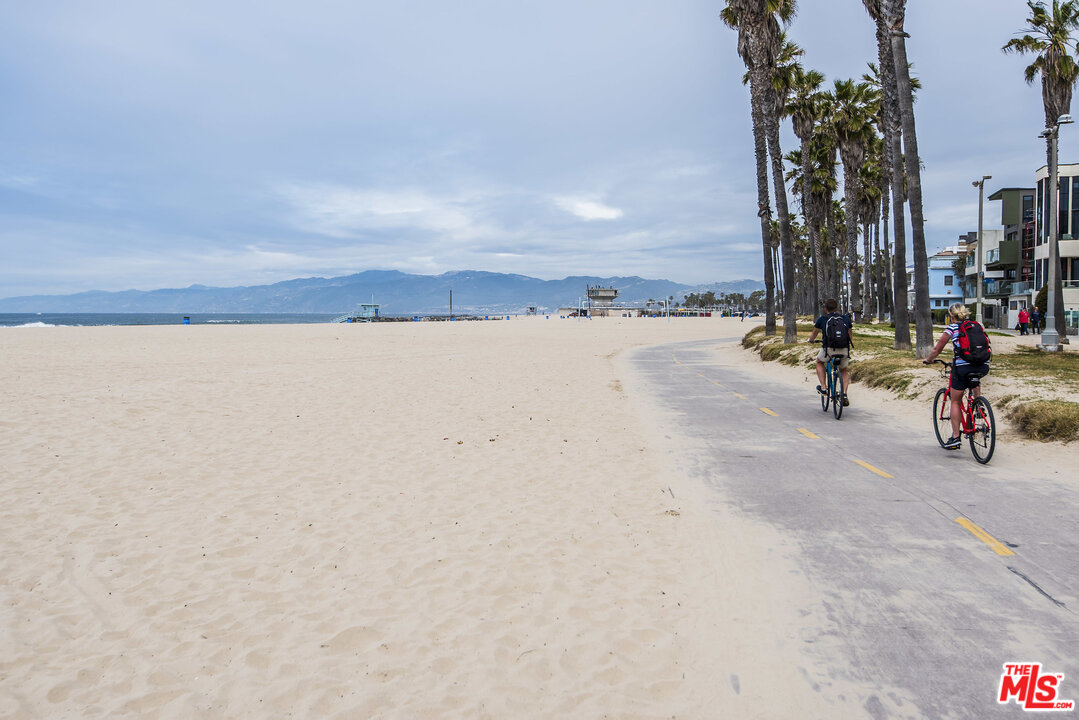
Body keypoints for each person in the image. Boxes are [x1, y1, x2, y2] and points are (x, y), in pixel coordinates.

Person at [923, 302, 991, 450]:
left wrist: (929, 359)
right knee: (975, 379)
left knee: (955, 401)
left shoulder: (952, 328)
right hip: (983, 365)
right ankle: (978, 405)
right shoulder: (977, 325)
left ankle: (955, 438)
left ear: (951, 316)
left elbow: (938, 348)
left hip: (962, 368)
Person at [807, 298, 853, 406]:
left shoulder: (822, 319)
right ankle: (844, 394)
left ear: (825, 309)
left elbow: (814, 334)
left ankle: (823, 387)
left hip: (828, 350)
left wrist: (811, 340)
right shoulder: (845, 319)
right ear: (837, 308)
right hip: (844, 348)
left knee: (819, 362)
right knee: (844, 370)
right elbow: (850, 335)